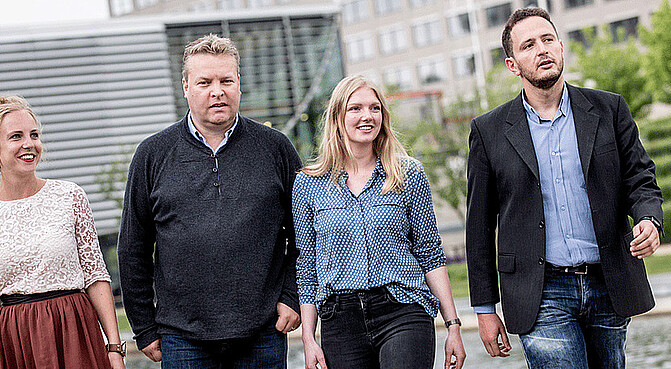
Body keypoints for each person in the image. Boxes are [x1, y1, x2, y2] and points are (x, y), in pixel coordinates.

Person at [466, 7, 664, 369]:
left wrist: (650, 220)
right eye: (528, 45)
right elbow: (478, 227)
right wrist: (484, 309)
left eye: (547, 40)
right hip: (539, 290)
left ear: (561, 47)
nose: (541, 49)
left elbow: (640, 178)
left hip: (608, 280)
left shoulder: (609, 108)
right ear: (513, 64)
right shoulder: (488, 131)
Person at [117, 34, 302, 368]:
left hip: (262, 333)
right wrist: (143, 327)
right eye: (205, 82)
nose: (217, 91)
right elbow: (133, 247)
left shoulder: (275, 148)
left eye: (226, 80)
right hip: (182, 338)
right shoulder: (152, 155)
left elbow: (307, 232)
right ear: (186, 86)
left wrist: (291, 295)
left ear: (239, 85)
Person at [293, 75, 466, 369]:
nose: (367, 116)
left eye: (375, 108)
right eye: (355, 108)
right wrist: (308, 338)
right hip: (340, 321)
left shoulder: (408, 174)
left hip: (403, 311)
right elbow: (307, 266)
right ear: (337, 118)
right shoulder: (308, 185)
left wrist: (452, 325)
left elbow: (430, 253)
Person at [0, 96, 126, 369]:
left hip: (74, 330)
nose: (29, 144)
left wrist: (114, 349)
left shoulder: (69, 196)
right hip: (16, 339)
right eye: (15, 136)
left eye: (34, 134)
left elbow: (95, 275)